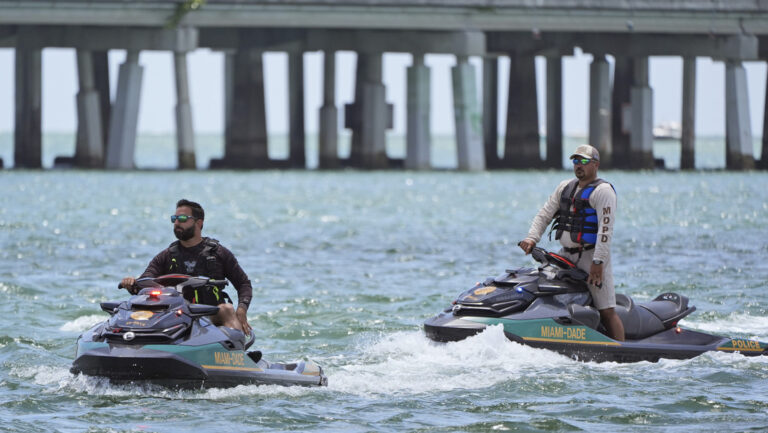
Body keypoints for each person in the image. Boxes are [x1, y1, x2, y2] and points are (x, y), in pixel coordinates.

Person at [519, 144, 625, 341]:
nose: (579, 165)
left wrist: (598, 262)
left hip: (591, 257)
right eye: (576, 161)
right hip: (565, 256)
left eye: (584, 161)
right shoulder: (564, 188)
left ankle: (622, 351)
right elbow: (544, 215)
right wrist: (531, 238)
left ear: (596, 165)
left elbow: (605, 231)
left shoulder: (603, 192)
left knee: (606, 309)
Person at [121, 199, 253, 335]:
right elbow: (145, 281)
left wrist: (242, 310)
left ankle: (237, 351)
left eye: (183, 218)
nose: (177, 223)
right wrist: (132, 284)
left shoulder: (219, 253)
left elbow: (244, 284)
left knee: (226, 309)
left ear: (199, 222)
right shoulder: (166, 256)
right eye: (175, 219)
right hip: (174, 316)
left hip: (211, 315)